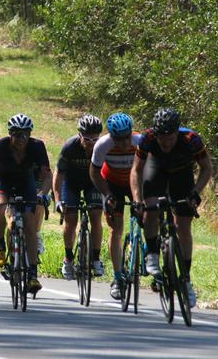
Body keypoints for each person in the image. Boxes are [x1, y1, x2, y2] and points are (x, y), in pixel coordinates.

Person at [131, 108, 212, 308]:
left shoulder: (192, 139)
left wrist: (195, 192)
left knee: (183, 226)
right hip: (155, 169)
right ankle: (152, 254)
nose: (165, 142)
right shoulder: (148, 138)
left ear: (177, 132)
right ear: (155, 134)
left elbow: (206, 168)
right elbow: (136, 170)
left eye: (170, 138)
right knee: (152, 209)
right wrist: (137, 200)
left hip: (181, 175)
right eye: (162, 138)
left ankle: (185, 280)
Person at [0, 114, 51, 294]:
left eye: (25, 135)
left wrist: (43, 194)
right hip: (3, 183)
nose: (21, 139)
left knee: (29, 224)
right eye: (16, 134)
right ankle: (1, 246)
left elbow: (47, 176)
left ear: (29, 135)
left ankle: (32, 275)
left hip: (26, 183)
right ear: (10, 134)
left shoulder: (37, 147)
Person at [89, 112, 142, 300]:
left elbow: (153, 168)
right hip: (112, 184)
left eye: (127, 137)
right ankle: (118, 277)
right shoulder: (103, 145)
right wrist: (107, 195)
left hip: (136, 181)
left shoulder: (140, 141)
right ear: (111, 136)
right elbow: (94, 174)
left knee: (150, 214)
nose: (124, 142)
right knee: (115, 229)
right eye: (118, 139)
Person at [53, 114, 104, 280]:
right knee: (71, 218)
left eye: (95, 139)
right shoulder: (69, 146)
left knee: (96, 216)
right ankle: (68, 259)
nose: (91, 144)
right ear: (79, 135)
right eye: (87, 139)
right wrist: (58, 200)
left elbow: (108, 172)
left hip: (92, 182)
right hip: (70, 182)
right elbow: (58, 174)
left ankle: (96, 259)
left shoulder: (102, 147)